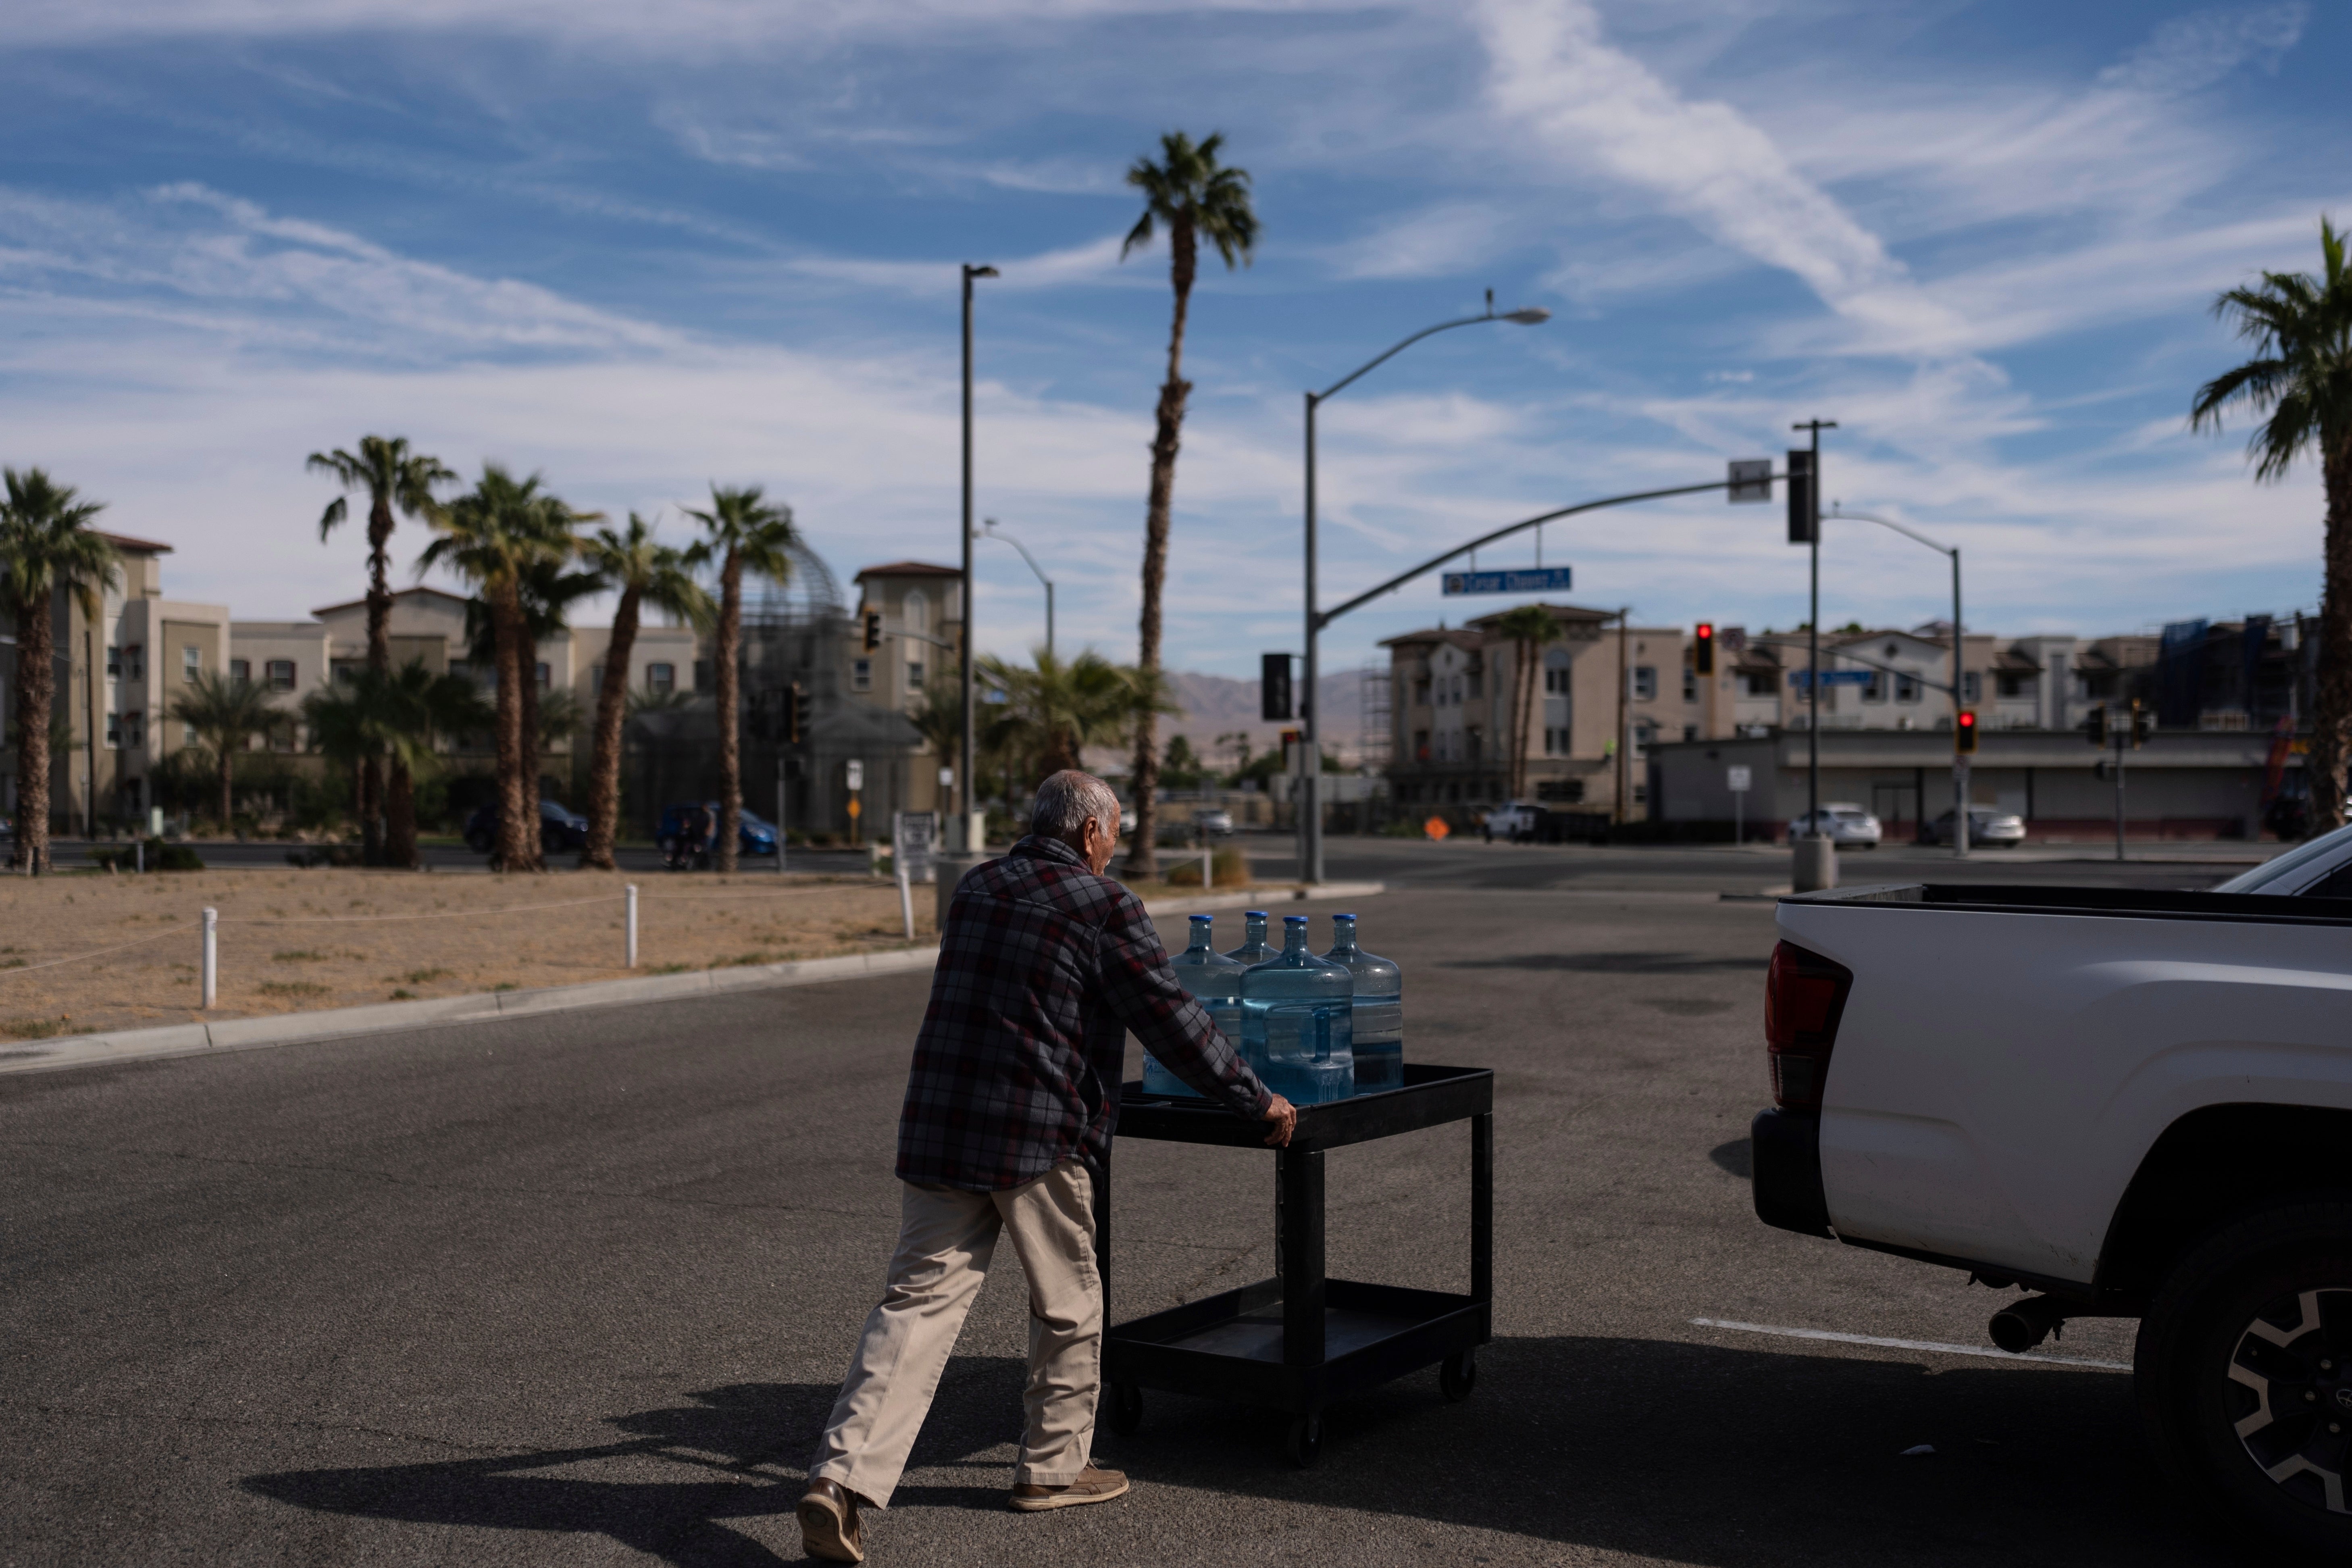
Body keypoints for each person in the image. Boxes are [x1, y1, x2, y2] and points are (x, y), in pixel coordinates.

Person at [798, 769, 1294, 1563]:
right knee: (1067, 1301)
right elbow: (1171, 1021)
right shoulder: (1103, 905)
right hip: (1037, 1134)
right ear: (1092, 833)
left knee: (916, 1306)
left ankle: (840, 1479)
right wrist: (1254, 1098)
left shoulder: (978, 887)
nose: (1116, 848)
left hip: (940, 1126)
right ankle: (1052, 1469)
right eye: (1115, 833)